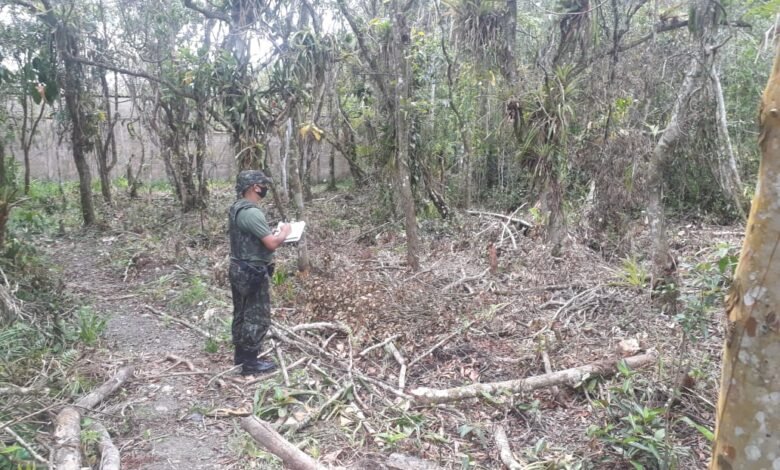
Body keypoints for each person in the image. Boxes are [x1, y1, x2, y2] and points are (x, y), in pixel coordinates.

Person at [228, 170, 291, 375]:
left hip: (238, 267)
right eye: (263, 185)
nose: (265, 189)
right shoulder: (252, 212)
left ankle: (241, 356)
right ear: (255, 186)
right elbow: (271, 244)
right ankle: (250, 363)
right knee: (257, 316)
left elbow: (253, 238)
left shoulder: (236, 208)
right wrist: (284, 233)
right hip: (252, 271)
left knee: (241, 312)